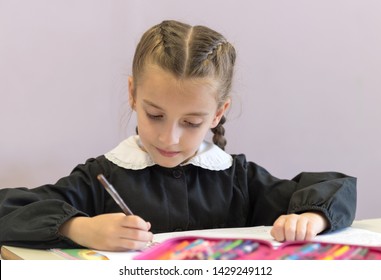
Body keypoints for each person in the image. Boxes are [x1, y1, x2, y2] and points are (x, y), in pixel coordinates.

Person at [0, 20, 356, 251]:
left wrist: (313, 216)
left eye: (191, 122)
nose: (169, 138)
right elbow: (7, 209)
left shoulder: (239, 181)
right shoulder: (100, 179)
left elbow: (336, 187)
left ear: (217, 114)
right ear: (132, 95)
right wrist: (77, 228)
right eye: (155, 115)